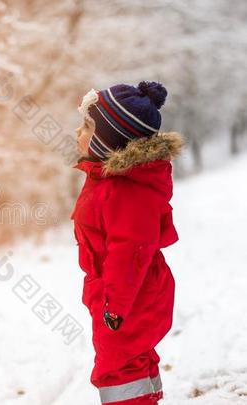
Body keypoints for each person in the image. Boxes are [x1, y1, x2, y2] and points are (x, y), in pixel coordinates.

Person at [71, 81, 185, 404]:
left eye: (87, 127)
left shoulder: (124, 191)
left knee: (117, 368)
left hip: (125, 297)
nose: (78, 133)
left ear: (110, 141)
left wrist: (114, 307)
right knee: (133, 358)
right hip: (121, 293)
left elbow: (130, 250)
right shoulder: (109, 181)